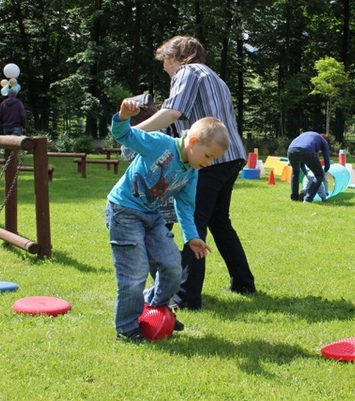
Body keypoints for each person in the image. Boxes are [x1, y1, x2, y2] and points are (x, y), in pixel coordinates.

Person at [135, 36, 255, 310]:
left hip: (210, 159)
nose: (164, 68)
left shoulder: (187, 71)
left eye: (164, 61)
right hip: (232, 156)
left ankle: (186, 297)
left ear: (175, 56)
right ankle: (243, 283)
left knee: (193, 221)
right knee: (220, 222)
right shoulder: (214, 77)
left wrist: (135, 133)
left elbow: (173, 112)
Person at [107, 98, 229, 342]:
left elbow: (185, 205)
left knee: (173, 265)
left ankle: (155, 308)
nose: (209, 163)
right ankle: (126, 327)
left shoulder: (191, 171)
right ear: (192, 142)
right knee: (135, 272)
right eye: (207, 156)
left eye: (213, 159)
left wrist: (192, 236)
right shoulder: (159, 144)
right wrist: (122, 117)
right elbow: (124, 136)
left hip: (151, 216)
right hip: (124, 212)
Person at [287, 131, 330, 203]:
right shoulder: (324, 142)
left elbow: (301, 156)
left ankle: (294, 198)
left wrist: (306, 173)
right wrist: (325, 171)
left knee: (295, 172)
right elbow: (327, 159)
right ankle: (308, 199)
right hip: (307, 150)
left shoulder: (309, 136)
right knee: (319, 175)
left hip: (291, 150)